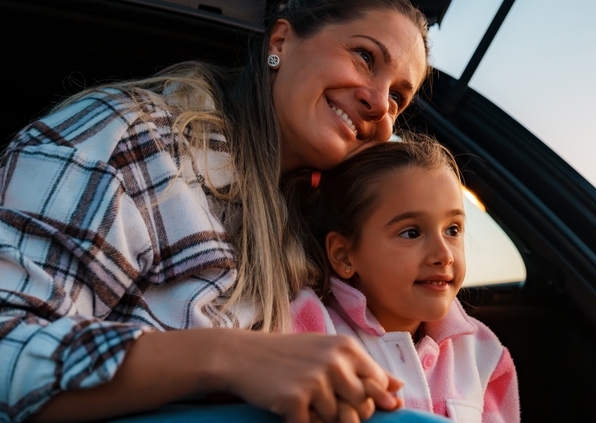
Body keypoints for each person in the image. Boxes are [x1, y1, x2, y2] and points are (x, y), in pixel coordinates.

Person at [0, 1, 443, 422]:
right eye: (365, 57)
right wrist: (225, 357)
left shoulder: (317, 223)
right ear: (281, 43)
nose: (380, 103)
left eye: (399, 99)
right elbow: (9, 346)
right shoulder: (131, 141)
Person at [282, 137, 520, 423]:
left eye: (453, 229)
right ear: (344, 255)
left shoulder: (484, 355)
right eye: (411, 233)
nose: (443, 254)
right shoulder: (306, 329)